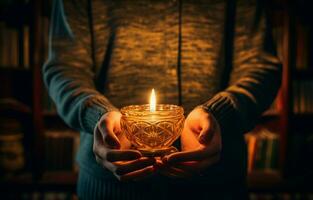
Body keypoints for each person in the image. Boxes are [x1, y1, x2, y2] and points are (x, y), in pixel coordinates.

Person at [43, 0, 281, 199]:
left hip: (216, 185)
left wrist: (220, 115)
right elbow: (64, 69)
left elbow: (260, 67)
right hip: (109, 187)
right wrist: (98, 116)